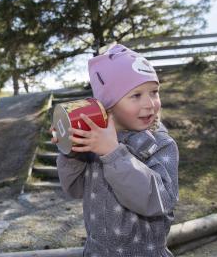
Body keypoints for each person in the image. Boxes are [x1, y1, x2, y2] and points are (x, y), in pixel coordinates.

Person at [54, 44, 179, 256]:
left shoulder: (160, 144)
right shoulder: (95, 140)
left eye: (154, 92)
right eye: (136, 95)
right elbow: (74, 190)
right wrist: (71, 152)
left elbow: (160, 201)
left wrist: (113, 154)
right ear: (109, 104)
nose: (150, 103)